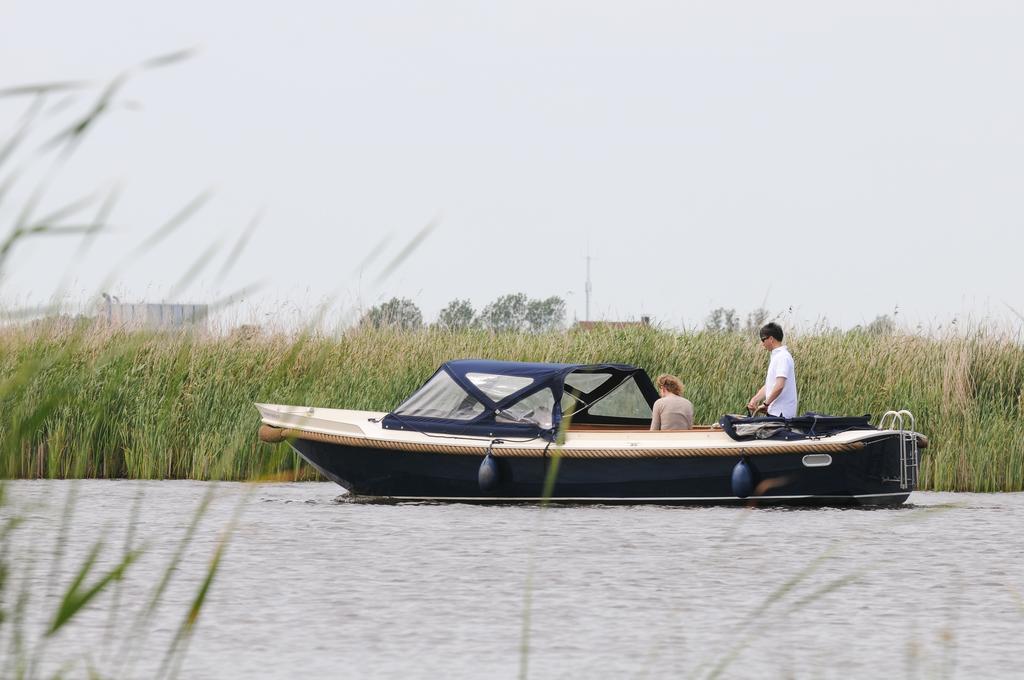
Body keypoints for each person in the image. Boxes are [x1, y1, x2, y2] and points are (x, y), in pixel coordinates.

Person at [747, 322, 799, 418]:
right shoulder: (777, 356)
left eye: (763, 340)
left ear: (771, 339)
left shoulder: (783, 357)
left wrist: (766, 403)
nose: (762, 344)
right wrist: (755, 399)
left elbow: (779, 385)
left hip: (781, 413)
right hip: (775, 411)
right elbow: (771, 385)